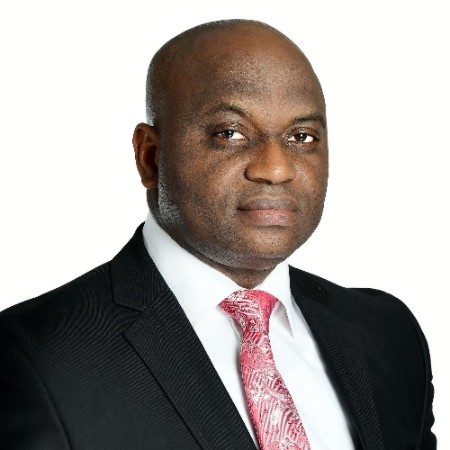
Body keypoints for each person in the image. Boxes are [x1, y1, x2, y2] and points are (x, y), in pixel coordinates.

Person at [0, 19, 436, 450]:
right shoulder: (32, 358)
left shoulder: (388, 334)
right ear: (150, 156)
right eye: (230, 134)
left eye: (302, 137)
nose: (276, 168)